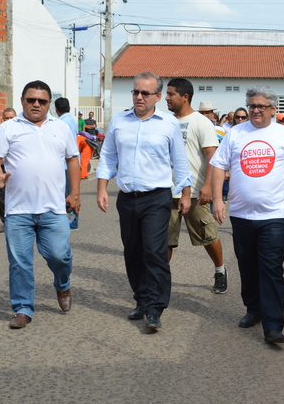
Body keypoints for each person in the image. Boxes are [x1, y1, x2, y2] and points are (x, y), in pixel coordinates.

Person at [209, 87, 284, 345]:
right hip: (241, 215)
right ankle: (253, 309)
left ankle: (273, 326)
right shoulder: (235, 134)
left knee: (272, 269)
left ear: (273, 109)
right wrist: (219, 200)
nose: (255, 110)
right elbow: (218, 166)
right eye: (252, 105)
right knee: (247, 265)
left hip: (274, 216)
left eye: (261, 106)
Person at [96, 72, 192, 332]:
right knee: (133, 251)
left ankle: (155, 308)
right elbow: (107, 157)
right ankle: (141, 299)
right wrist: (102, 188)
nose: (139, 97)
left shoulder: (168, 124)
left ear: (158, 97)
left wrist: (185, 193)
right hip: (127, 198)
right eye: (135, 92)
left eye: (145, 93)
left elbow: (180, 161)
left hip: (157, 198)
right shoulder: (119, 121)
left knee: (154, 251)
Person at [0, 80, 81, 329]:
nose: (36, 104)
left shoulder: (60, 128)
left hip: (53, 208)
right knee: (19, 262)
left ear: (49, 103)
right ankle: (23, 308)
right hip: (18, 210)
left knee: (60, 256)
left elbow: (73, 159)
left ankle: (62, 284)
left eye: (42, 100)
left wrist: (75, 193)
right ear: (22, 101)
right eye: (31, 100)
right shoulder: (9, 128)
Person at [164, 78, 228, 293]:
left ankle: (220, 270)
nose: (166, 98)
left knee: (207, 235)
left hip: (195, 192)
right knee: (167, 240)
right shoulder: (166, 121)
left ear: (185, 97)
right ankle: (161, 280)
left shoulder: (201, 122)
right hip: (168, 191)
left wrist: (208, 186)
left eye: (171, 94)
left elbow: (213, 156)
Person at [55, 97, 80, 230]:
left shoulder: (61, 123)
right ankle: (71, 221)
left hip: (66, 165)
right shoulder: (71, 121)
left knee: (68, 195)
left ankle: (71, 222)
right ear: (69, 108)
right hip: (72, 163)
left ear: (56, 109)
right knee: (71, 193)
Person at [0, 107, 17, 233]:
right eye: (6, 118)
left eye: (11, 118)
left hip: (15, 168)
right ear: (2, 119)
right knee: (2, 195)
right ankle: (5, 222)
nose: (9, 120)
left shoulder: (21, 131)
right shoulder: (0, 132)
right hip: (2, 168)